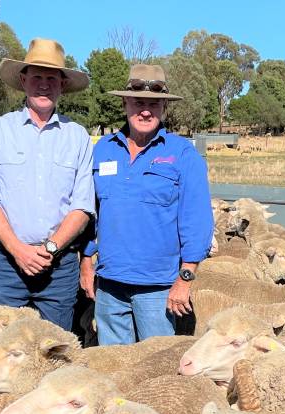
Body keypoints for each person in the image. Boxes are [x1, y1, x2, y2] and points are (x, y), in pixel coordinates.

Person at [81, 64, 213, 345]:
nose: (145, 110)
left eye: (153, 104)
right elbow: (90, 213)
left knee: (154, 368)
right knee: (114, 365)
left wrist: (185, 278)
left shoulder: (182, 154)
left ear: (163, 107)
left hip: (158, 289)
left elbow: (197, 219)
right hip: (109, 284)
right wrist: (85, 261)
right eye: (138, 102)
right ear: (125, 102)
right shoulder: (102, 149)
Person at [0, 38, 94, 331]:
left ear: (62, 85)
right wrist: (17, 249)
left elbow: (82, 205)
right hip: (9, 265)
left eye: (51, 78)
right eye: (36, 77)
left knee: (53, 351)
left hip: (60, 267)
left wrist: (50, 248)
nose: (44, 84)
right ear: (23, 81)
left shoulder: (77, 137)